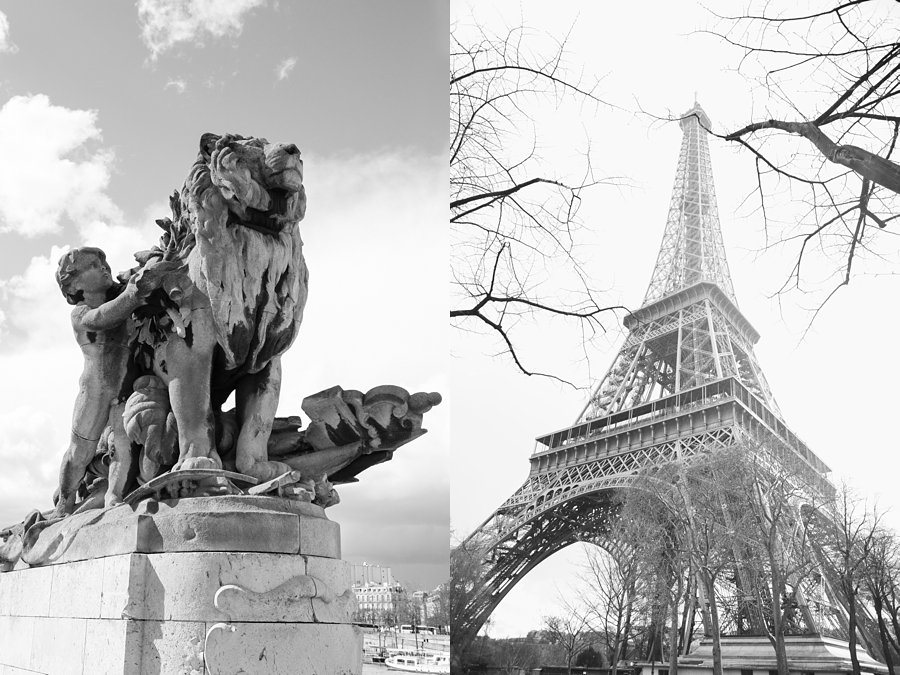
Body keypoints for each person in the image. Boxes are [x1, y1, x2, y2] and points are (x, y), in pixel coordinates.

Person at [52, 247, 173, 517]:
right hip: (94, 392)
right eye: (93, 265)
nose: (104, 267)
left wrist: (154, 262)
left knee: (122, 446)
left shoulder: (122, 294)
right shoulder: (81, 313)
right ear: (75, 285)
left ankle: (113, 497)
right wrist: (134, 292)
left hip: (125, 390)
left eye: (104, 262)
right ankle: (64, 503)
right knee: (80, 451)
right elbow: (102, 318)